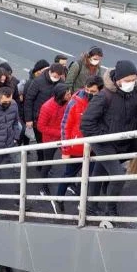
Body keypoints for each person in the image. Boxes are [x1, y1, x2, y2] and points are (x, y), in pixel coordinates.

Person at [80, 61, 137, 218]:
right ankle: (110, 208)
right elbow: (86, 123)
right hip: (104, 142)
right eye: (128, 80)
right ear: (118, 79)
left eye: (134, 79)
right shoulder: (104, 96)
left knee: (100, 171)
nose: (131, 83)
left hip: (124, 141)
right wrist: (104, 136)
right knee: (118, 176)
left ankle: (90, 205)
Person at [53, 75, 103, 212]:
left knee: (89, 177)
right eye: (88, 90)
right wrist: (65, 150)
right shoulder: (75, 102)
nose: (89, 93)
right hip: (76, 148)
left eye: (93, 92)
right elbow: (65, 126)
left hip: (93, 147)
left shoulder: (102, 102)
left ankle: (84, 202)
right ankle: (59, 198)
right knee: (69, 174)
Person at [24, 63, 67, 160]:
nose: (56, 78)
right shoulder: (38, 81)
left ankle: (47, 163)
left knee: (50, 143)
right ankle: (41, 162)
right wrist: (28, 119)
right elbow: (29, 100)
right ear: (50, 72)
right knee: (40, 143)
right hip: (38, 118)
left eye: (59, 76)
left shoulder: (61, 82)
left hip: (53, 119)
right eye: (55, 76)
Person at [35, 83, 71, 199]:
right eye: (68, 93)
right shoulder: (47, 107)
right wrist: (60, 133)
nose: (70, 95)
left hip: (64, 137)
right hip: (50, 140)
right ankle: (43, 186)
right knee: (47, 163)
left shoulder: (68, 103)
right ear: (61, 95)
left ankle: (71, 182)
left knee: (71, 160)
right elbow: (41, 127)